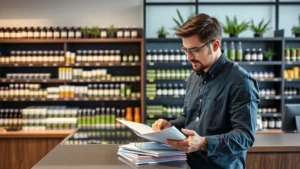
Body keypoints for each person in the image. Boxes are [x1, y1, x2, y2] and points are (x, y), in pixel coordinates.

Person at [152, 13, 260, 169]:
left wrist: (204, 143)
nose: (188, 57)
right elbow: (190, 117)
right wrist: (171, 126)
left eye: (195, 50)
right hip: (188, 164)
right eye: (185, 50)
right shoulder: (194, 77)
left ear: (215, 45)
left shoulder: (240, 81)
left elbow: (245, 137)